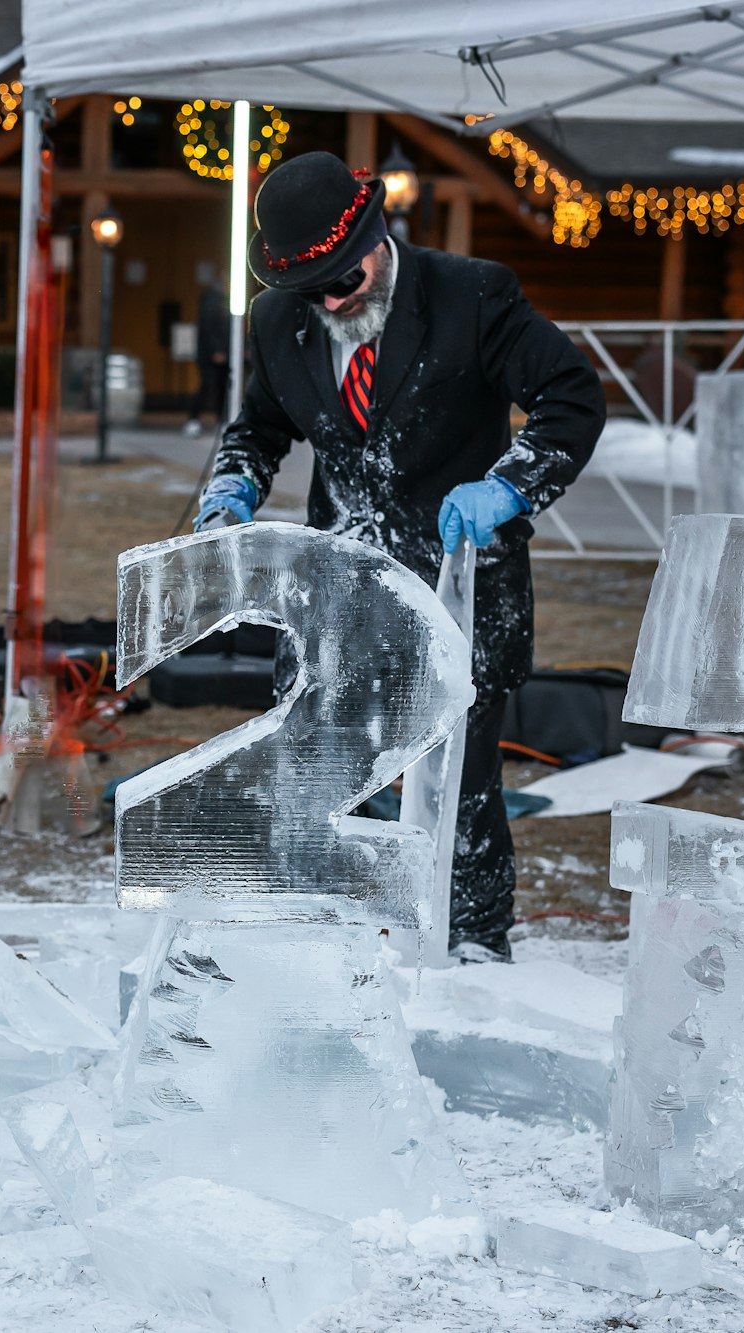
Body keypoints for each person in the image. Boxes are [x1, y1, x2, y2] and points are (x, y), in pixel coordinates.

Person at [196, 151, 604, 962]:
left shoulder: (472, 294)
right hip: (337, 589)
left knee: (458, 781)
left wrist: (508, 487)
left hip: (459, 583)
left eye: (343, 282)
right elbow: (259, 427)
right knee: (311, 762)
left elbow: (572, 396)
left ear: (378, 239)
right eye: (311, 290)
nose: (330, 301)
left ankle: (475, 941)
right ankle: (322, 930)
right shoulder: (279, 321)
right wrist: (234, 483)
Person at [182, 280, 231, 438]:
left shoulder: (223, 299)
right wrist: (217, 350)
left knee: (221, 386)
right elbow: (209, 326)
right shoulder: (212, 299)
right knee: (208, 385)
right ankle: (193, 419)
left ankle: (219, 419)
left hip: (222, 352)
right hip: (211, 353)